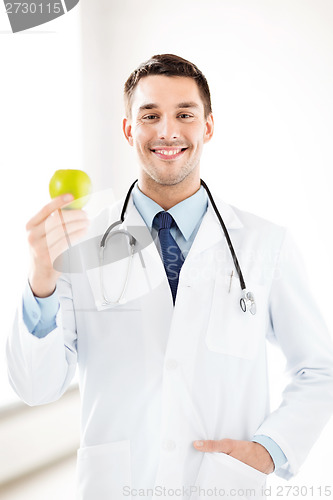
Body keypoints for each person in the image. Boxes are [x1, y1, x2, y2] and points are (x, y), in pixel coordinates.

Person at [6, 54, 333, 500]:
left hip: (223, 488)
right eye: (150, 116)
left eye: (184, 114)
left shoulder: (264, 243)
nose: (167, 131)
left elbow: (319, 368)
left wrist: (270, 450)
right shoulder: (79, 247)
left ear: (208, 127)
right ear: (128, 130)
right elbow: (37, 387)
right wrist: (40, 277)